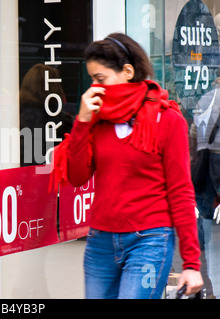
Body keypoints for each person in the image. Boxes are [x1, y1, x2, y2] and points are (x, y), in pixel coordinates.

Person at [54, 33, 203, 299]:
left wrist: (191, 264)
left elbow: (181, 192)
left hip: (150, 240)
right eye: (91, 79)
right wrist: (82, 121)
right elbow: (76, 177)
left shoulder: (167, 119)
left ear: (127, 71)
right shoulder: (97, 119)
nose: (94, 88)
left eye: (100, 79)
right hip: (100, 241)